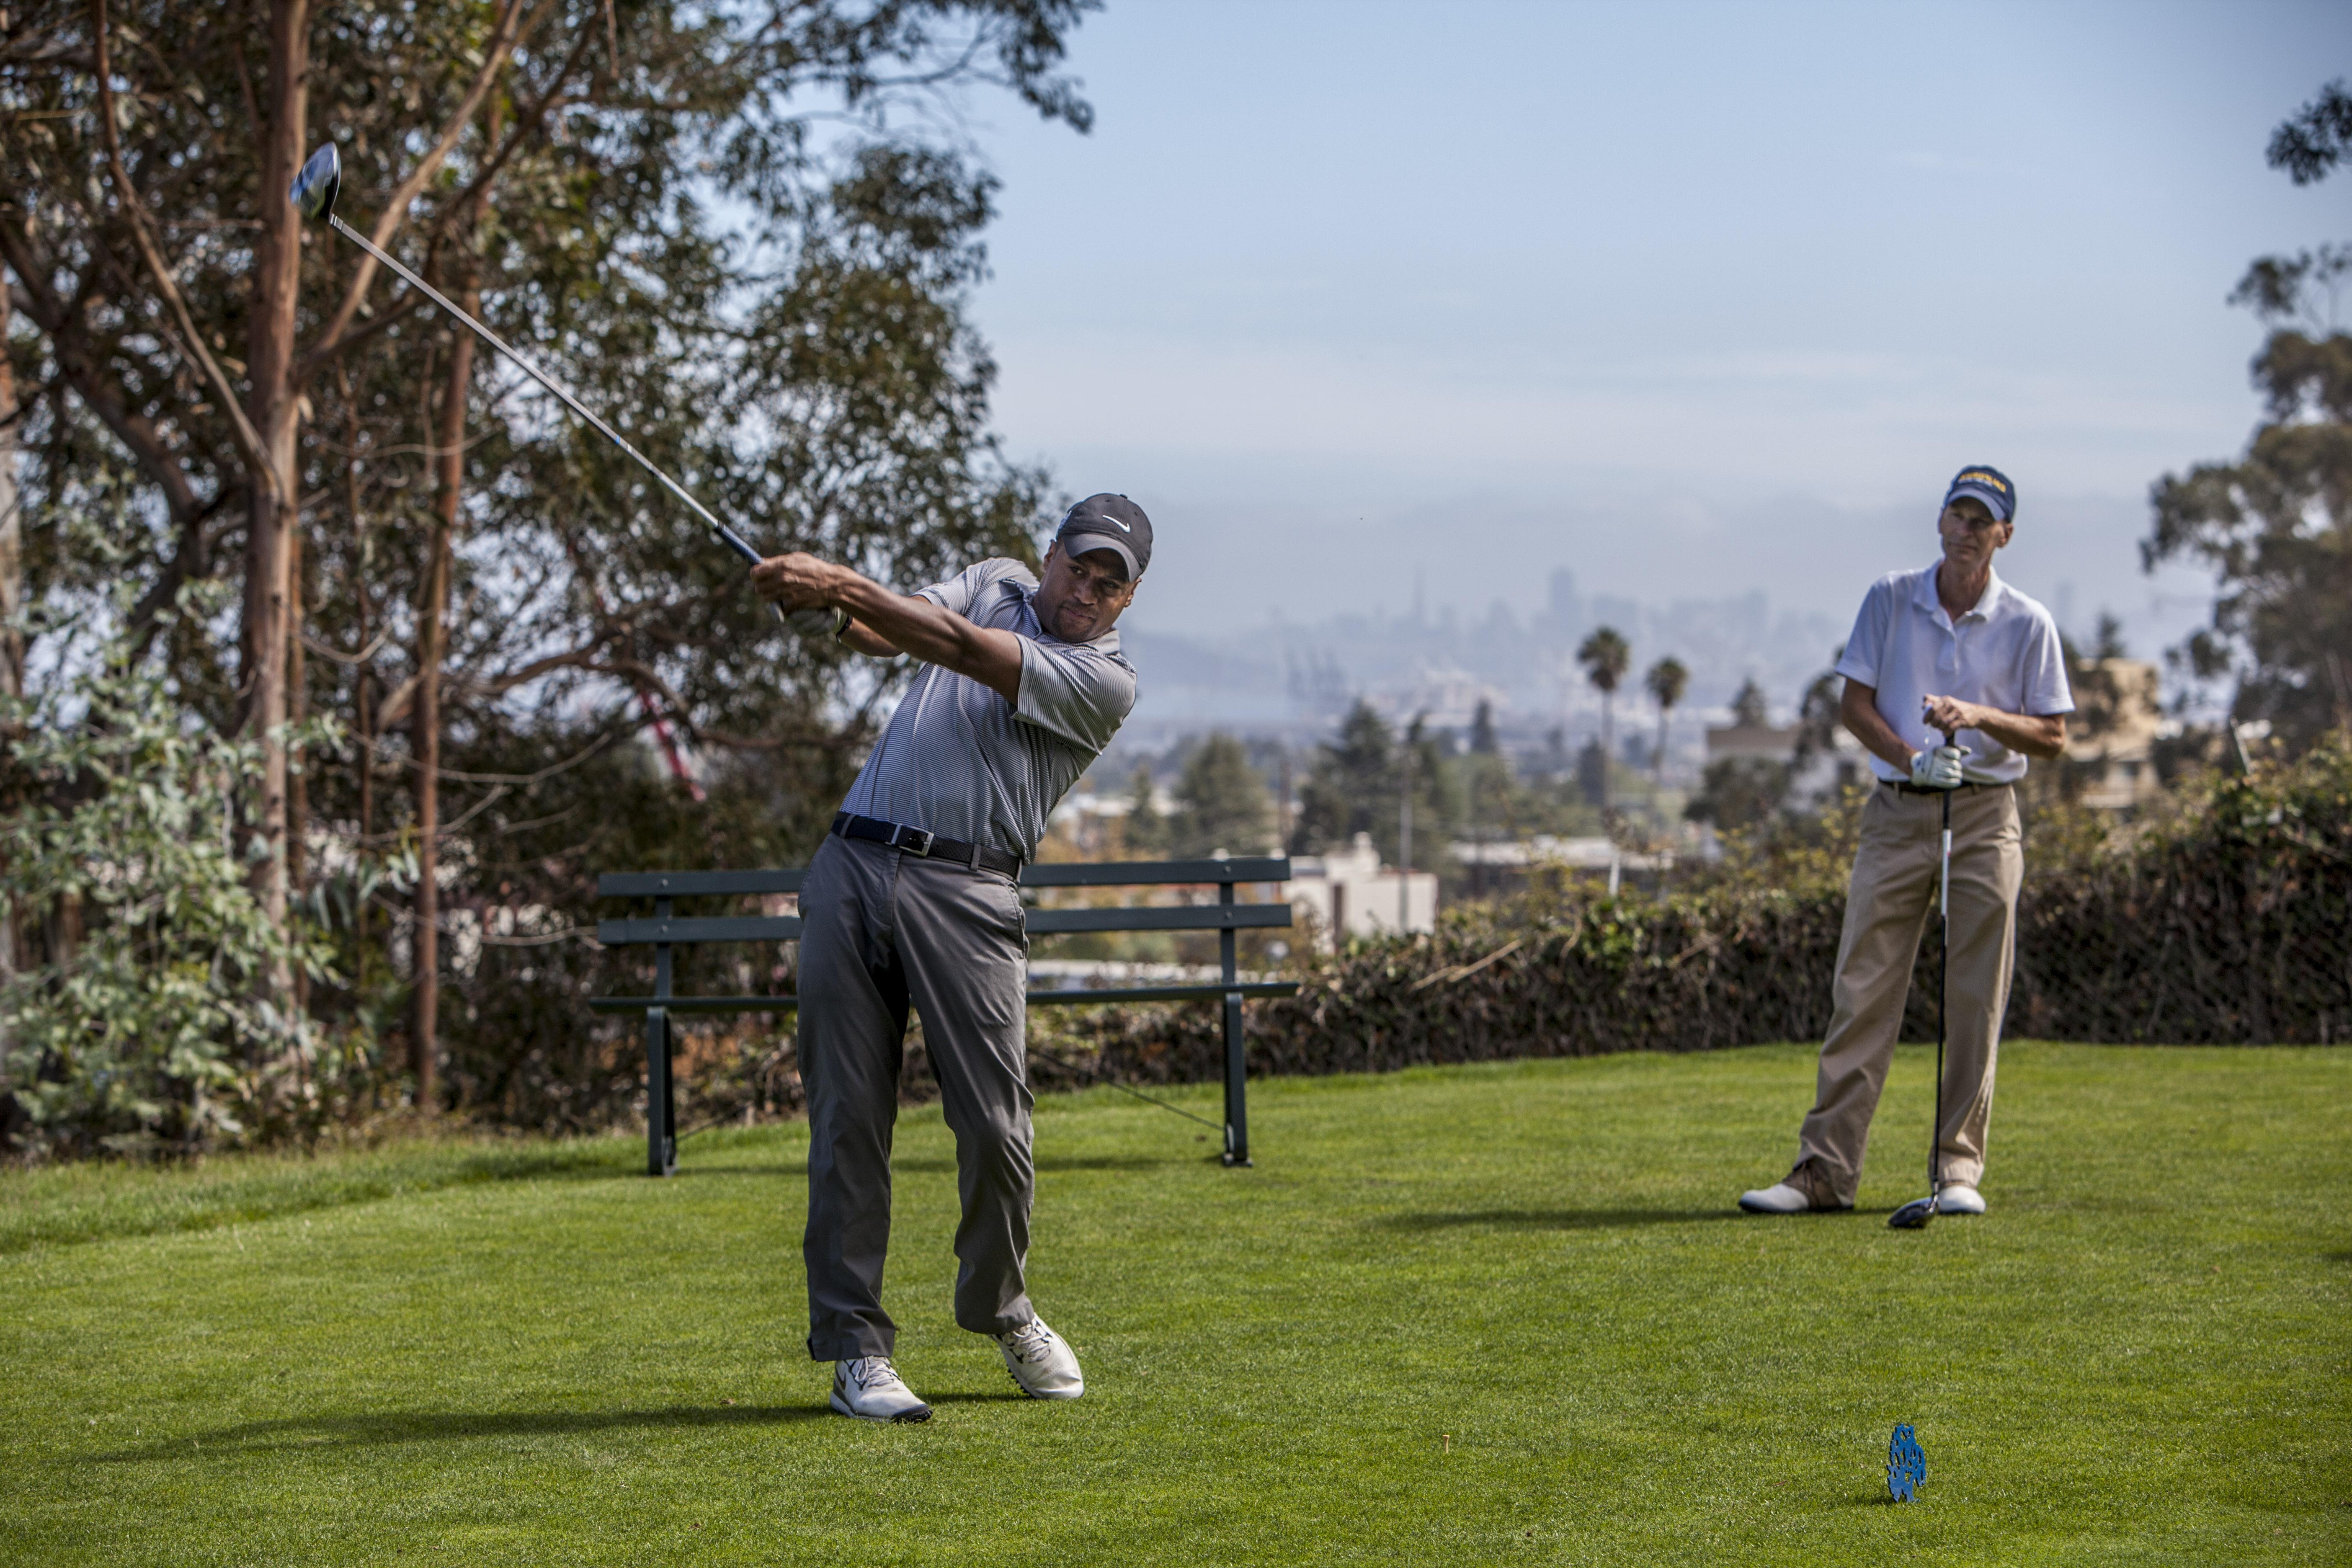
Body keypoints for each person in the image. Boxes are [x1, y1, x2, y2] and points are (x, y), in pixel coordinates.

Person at [750, 494, 1150, 1421]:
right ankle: (857, 1348)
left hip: (970, 893)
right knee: (849, 1119)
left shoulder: (1105, 679)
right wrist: (832, 608)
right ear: (1048, 555)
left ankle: (1000, 1307)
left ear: (1128, 601)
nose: (1084, 592)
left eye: (1108, 584)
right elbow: (892, 634)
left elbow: (962, 651)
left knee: (997, 1129)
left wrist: (840, 580)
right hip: (852, 862)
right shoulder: (994, 581)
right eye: (1077, 567)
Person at [1740, 464, 2072, 1218]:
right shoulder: (1891, 598)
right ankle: (1823, 1175)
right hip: (1897, 810)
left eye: (1980, 521)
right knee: (1863, 990)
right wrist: (1911, 757)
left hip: (1987, 817)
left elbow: (2053, 734)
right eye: (1955, 515)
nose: (1964, 530)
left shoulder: (2029, 622)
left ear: (2004, 536)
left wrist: (1980, 717)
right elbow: (1854, 705)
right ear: (1940, 523)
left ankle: (1957, 1171)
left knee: (1974, 998)